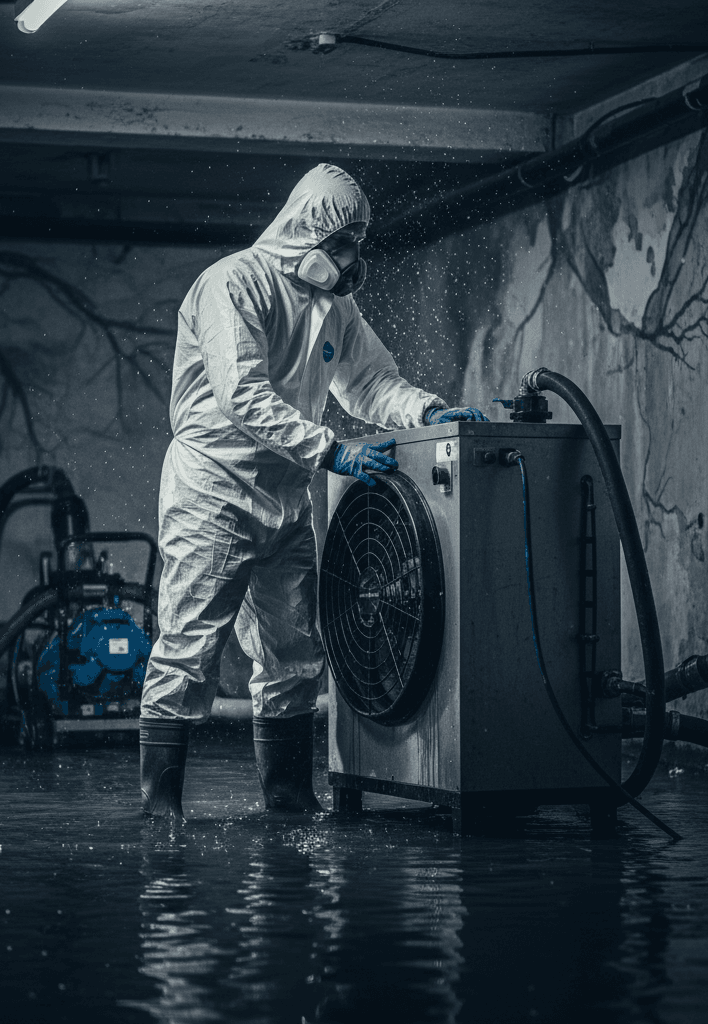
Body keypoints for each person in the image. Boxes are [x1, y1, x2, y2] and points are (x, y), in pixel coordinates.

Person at [139, 163, 486, 819]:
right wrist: (331, 450)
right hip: (212, 491)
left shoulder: (335, 309)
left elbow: (373, 384)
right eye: (342, 243)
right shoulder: (232, 286)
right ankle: (161, 814)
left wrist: (429, 413)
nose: (353, 257)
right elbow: (241, 394)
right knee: (187, 652)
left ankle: (290, 804)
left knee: (293, 653)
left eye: (358, 241)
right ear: (306, 231)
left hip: (287, 496)